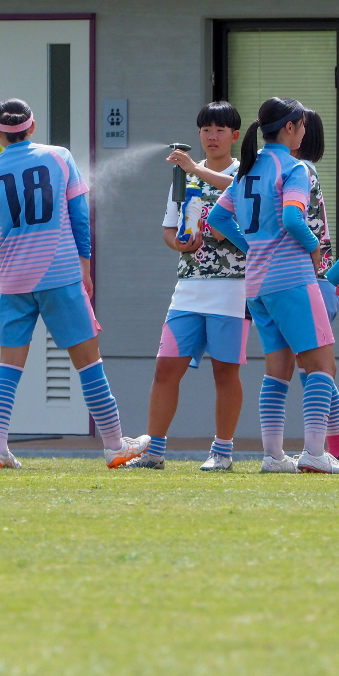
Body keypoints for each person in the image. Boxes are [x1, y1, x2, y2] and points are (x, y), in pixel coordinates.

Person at [0, 98, 148, 469]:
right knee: (89, 362)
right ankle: (115, 444)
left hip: (12, 278)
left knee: (8, 366)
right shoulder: (59, 156)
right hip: (60, 272)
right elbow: (79, 218)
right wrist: (86, 268)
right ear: (32, 127)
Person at [207, 97, 339, 474]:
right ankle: (315, 453)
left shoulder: (249, 169)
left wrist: (253, 245)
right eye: (302, 125)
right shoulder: (295, 168)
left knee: (278, 369)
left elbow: (218, 219)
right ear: (289, 127)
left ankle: (273, 456)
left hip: (257, 284)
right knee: (322, 365)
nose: (304, 131)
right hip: (291, 278)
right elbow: (292, 217)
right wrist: (315, 248)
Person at [126, 102, 247, 471]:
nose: (212, 136)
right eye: (206, 129)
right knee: (166, 368)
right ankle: (154, 450)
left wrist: (194, 168)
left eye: (220, 130)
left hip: (233, 286)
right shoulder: (185, 176)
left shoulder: (246, 172)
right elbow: (168, 227)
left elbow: (241, 196)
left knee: (225, 372)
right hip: (189, 285)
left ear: (235, 136)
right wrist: (178, 242)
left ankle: (222, 452)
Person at [294, 108, 339, 461]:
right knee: (316, 371)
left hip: (311, 282)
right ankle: (333, 451)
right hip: (318, 282)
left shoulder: (301, 172)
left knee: (319, 371)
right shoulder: (305, 171)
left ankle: (336, 453)